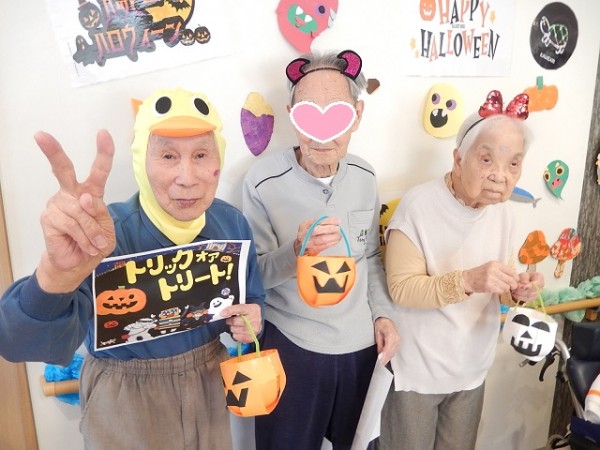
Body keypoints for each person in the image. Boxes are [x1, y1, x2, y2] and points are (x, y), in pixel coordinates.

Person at [0, 88, 264, 450]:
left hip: (208, 389)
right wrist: (56, 274)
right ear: (141, 160)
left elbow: (252, 294)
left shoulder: (231, 224)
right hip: (124, 400)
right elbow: (18, 342)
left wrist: (252, 319)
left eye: (201, 155)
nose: (187, 177)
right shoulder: (102, 236)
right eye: (168, 156)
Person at [242, 49, 400, 450]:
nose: (322, 134)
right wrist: (296, 251)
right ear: (292, 115)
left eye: (337, 115)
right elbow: (253, 276)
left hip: (360, 348)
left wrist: (383, 314)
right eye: (309, 116)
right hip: (292, 348)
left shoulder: (364, 175)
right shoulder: (262, 181)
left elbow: (370, 257)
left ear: (357, 116)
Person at [377, 90, 545, 450]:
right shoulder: (419, 205)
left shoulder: (504, 212)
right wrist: (468, 280)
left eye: (513, 164)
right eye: (486, 159)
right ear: (458, 158)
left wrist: (517, 288)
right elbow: (401, 288)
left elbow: (500, 284)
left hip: (471, 367)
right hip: (418, 368)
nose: (500, 176)